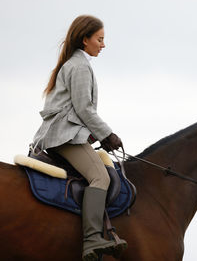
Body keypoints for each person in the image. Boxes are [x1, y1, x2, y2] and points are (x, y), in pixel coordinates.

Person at [32, 15, 127, 260]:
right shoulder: (80, 66)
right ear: (85, 40)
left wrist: (97, 135)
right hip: (64, 136)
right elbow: (84, 108)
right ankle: (92, 239)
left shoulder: (76, 64)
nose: (103, 45)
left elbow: (79, 110)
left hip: (66, 133)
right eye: (100, 39)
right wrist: (108, 134)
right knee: (100, 177)